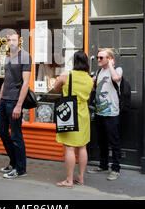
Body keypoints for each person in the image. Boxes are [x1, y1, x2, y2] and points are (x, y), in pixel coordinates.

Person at [52, 51, 93, 188]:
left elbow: (55, 88)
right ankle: (80, 177)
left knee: (69, 148)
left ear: (74, 61)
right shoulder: (89, 79)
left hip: (69, 113)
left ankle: (69, 180)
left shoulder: (66, 75)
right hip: (84, 114)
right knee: (82, 146)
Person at [0, 29, 31, 179]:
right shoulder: (8, 57)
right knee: (2, 132)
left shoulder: (25, 57)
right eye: (9, 40)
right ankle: (13, 161)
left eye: (14, 40)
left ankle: (20, 169)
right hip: (4, 101)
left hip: (15, 101)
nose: (11, 43)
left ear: (19, 41)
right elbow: (6, 81)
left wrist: (19, 105)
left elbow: (26, 83)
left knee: (16, 135)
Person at [87, 48, 123, 181]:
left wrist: (111, 66)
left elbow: (116, 78)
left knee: (114, 141)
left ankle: (116, 169)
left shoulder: (117, 69)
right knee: (101, 141)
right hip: (99, 112)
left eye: (101, 57)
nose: (98, 60)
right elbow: (93, 88)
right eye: (97, 57)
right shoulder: (99, 71)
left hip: (112, 112)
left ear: (109, 58)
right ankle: (103, 165)